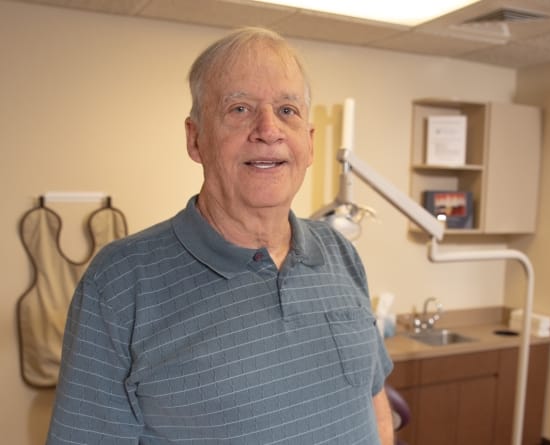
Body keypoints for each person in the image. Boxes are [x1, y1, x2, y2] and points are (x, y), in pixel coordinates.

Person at [46, 27, 394, 444]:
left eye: (287, 110)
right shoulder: (120, 282)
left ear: (309, 142)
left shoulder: (340, 251)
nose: (268, 130)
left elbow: (374, 410)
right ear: (196, 139)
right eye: (240, 108)